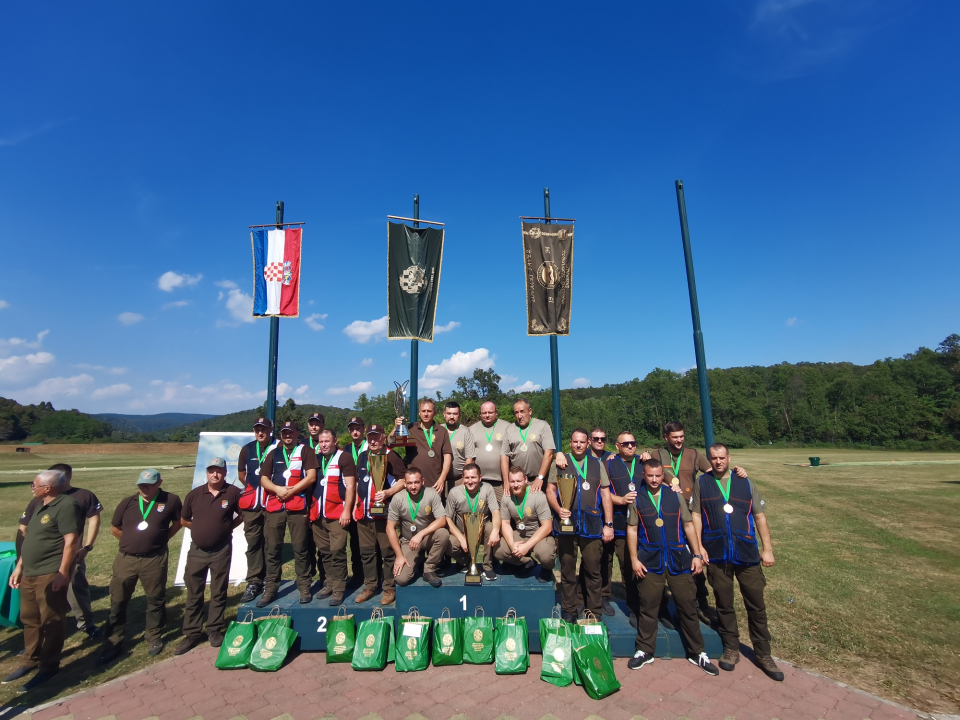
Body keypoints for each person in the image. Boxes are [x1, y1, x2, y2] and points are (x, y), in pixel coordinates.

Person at [640, 421, 747, 626]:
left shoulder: (694, 454)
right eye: (674, 437)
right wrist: (643, 454)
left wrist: (737, 472)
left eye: (681, 436)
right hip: (667, 513)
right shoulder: (656, 454)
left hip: (690, 512)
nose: (679, 440)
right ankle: (665, 607)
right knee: (666, 559)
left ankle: (700, 603)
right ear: (666, 437)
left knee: (694, 557)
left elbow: (714, 470)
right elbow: (644, 465)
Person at [692, 443, 783, 681]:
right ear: (709, 459)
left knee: (756, 604)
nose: (718, 462)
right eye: (714, 458)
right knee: (724, 604)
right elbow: (697, 516)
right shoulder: (702, 483)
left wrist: (768, 549)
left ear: (729, 458)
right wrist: (700, 546)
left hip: (746, 553)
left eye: (722, 457)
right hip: (717, 552)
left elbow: (760, 517)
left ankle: (763, 653)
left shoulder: (745, 482)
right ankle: (731, 648)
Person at [625, 459, 718, 675]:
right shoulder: (637, 499)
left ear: (663, 475)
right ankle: (645, 650)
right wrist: (634, 560)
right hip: (650, 561)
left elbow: (688, 525)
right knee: (648, 607)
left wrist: (696, 554)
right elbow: (631, 530)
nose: (655, 480)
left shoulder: (675, 496)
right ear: (644, 475)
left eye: (658, 475)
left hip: (678, 560)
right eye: (650, 476)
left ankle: (697, 652)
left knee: (687, 606)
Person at [3, 471, 80, 693]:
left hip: (49, 572)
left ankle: (49, 665)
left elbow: (71, 540)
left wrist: (63, 572)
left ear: (48, 488)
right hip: (29, 572)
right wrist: (19, 567)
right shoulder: (40, 504)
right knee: (29, 618)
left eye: (34, 485)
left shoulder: (66, 505)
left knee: (51, 619)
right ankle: (30, 659)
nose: (31, 488)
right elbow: (32, 539)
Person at [98, 469, 182, 663]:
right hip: (126, 559)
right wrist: (129, 541)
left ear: (159, 483)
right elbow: (114, 528)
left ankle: (153, 635)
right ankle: (113, 641)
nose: (144, 488)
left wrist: (163, 539)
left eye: (149, 485)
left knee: (155, 598)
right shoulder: (127, 503)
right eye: (141, 485)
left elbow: (179, 522)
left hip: (154, 558)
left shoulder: (171, 500)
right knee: (118, 601)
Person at [18, 462, 102, 640]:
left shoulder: (83, 496)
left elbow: (94, 520)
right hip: (43, 561)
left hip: (71, 555)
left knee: (76, 591)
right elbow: (24, 527)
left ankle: (86, 624)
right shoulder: (40, 500)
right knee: (41, 599)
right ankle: (41, 633)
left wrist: (87, 546)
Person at [175, 457, 243, 655]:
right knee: (194, 592)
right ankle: (192, 633)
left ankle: (214, 629)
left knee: (218, 591)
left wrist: (226, 527)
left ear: (225, 473)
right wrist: (200, 528)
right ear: (206, 472)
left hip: (221, 550)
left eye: (219, 471)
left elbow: (242, 515)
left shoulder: (232, 492)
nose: (215, 474)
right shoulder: (195, 494)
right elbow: (184, 519)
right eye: (211, 470)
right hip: (197, 551)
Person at [547, 428, 614, 623]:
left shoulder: (597, 464)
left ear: (588, 444)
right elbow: (550, 490)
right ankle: (569, 608)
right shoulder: (560, 463)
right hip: (566, 524)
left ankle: (593, 610)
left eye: (582, 442)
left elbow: (605, 494)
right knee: (567, 570)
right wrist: (559, 509)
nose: (578, 445)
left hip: (592, 525)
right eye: (575, 442)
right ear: (570, 442)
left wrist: (608, 524)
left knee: (593, 570)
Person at [257, 421, 318, 607]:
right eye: (284, 433)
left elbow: (311, 476)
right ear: (281, 435)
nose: (287, 435)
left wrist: (290, 491)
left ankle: (304, 586)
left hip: (297, 505)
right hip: (276, 505)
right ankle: (271, 588)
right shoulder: (274, 453)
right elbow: (263, 479)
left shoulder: (305, 451)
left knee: (300, 548)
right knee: (272, 548)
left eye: (291, 432)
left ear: (297, 433)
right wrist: (277, 489)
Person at [352, 424, 407, 605]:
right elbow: (358, 483)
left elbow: (403, 480)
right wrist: (354, 505)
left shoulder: (391, 456)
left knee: (387, 551)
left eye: (377, 437)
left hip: (384, 513)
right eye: (370, 437)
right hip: (363, 512)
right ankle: (370, 586)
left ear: (384, 437)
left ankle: (389, 587)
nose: (373, 440)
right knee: (367, 552)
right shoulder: (362, 457)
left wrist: (388, 493)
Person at [310, 429, 357, 606]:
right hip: (318, 514)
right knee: (324, 552)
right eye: (321, 441)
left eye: (327, 441)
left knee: (337, 552)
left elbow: (351, 486)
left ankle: (338, 589)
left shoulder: (343, 457)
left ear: (335, 441)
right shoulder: (316, 458)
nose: (323, 444)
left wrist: (347, 510)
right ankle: (329, 583)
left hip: (337, 513)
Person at [386, 468, 449, 588]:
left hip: (427, 538)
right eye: (409, 483)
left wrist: (421, 534)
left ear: (422, 481)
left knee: (443, 533)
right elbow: (390, 528)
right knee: (401, 579)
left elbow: (442, 520)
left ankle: (429, 569)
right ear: (404, 483)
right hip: (408, 541)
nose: (413, 486)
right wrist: (399, 556)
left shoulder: (431, 493)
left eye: (416, 482)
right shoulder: (398, 498)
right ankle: (418, 559)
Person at [237, 417, 278, 604]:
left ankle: (271, 581)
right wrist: (252, 489)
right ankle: (254, 580)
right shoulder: (247, 449)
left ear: (270, 429)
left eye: (264, 429)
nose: (260, 432)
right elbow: (241, 474)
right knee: (253, 542)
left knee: (272, 543)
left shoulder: (278, 447)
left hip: (272, 501)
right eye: (257, 429)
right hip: (253, 504)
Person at [602, 432, 641, 625]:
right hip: (616, 519)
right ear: (617, 446)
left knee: (630, 564)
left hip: (641, 522)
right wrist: (620, 500)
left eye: (633, 443)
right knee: (606, 561)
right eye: (626, 444)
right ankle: (603, 597)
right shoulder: (609, 463)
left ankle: (634, 605)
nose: (630, 446)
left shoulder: (643, 462)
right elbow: (603, 489)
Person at [494, 465, 556, 583]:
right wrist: (512, 545)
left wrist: (526, 547)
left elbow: (547, 526)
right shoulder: (507, 497)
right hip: (521, 534)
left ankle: (546, 569)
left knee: (545, 555)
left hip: (539, 535)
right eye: (512, 481)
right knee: (498, 550)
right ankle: (526, 561)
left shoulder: (538, 496)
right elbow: (505, 523)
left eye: (519, 481)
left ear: (526, 480)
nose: (515, 485)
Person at [444, 463, 500, 581]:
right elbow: (447, 518)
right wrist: (461, 538)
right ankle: (465, 561)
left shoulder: (487, 488)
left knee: (491, 527)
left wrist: (496, 530)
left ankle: (487, 566)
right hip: (463, 534)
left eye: (473, 477)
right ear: (462, 478)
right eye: (467, 478)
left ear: (480, 478)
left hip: (482, 532)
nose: (470, 481)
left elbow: (495, 512)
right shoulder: (454, 492)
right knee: (448, 542)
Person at [393, 399, 453, 496]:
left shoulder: (442, 431)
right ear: (419, 413)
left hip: (435, 483)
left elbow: (447, 456)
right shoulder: (410, 429)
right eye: (423, 411)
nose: (426, 414)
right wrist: (396, 427)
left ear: (435, 413)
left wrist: (442, 478)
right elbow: (390, 442)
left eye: (429, 411)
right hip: (414, 483)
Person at [500, 398, 555, 493]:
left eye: (522, 411)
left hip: (538, 480)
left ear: (530, 411)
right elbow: (504, 456)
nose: (519, 416)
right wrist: (506, 481)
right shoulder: (509, 429)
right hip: (517, 482)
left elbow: (549, 453)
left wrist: (540, 477)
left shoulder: (542, 426)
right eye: (516, 413)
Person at [470, 400, 511, 503]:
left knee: (503, 507)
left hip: (500, 481)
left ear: (496, 412)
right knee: (480, 509)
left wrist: (507, 481)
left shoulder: (507, 427)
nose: (487, 415)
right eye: (484, 413)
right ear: (480, 413)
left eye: (490, 412)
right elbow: (469, 457)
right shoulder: (471, 429)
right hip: (479, 481)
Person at [302, 411, 327, 582]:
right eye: (311, 423)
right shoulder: (301, 445)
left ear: (323, 426)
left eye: (317, 423)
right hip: (303, 495)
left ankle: (325, 575)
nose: (314, 426)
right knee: (305, 539)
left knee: (323, 540)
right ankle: (308, 574)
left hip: (321, 495)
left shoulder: (329, 445)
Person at [343, 417, 367, 587]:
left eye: (357, 428)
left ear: (363, 429)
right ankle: (358, 574)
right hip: (351, 499)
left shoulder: (371, 445)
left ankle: (374, 574)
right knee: (354, 540)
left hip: (369, 498)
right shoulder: (345, 450)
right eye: (352, 429)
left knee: (371, 539)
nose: (355, 431)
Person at [442, 402, 476, 490]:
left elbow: (470, 458)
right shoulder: (438, 430)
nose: (452, 417)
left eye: (455, 414)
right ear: (444, 414)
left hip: (458, 480)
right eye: (449, 413)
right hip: (440, 479)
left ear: (459, 415)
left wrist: (464, 480)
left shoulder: (465, 432)